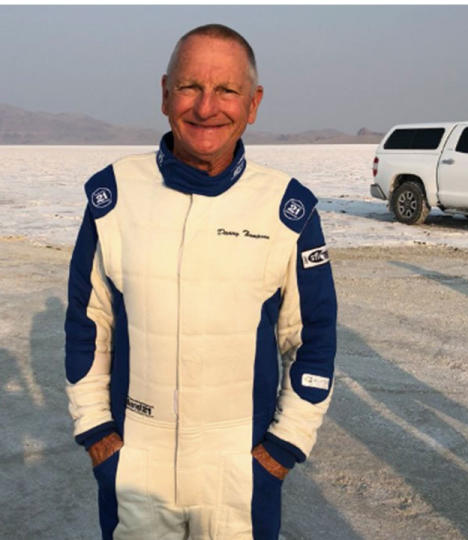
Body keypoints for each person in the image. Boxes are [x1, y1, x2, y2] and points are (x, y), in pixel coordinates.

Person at [65, 24, 337, 539]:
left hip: (238, 470)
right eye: (190, 87)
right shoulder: (113, 196)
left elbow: (314, 340)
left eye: (227, 90)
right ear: (165, 94)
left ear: (253, 104)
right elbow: (87, 324)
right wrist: (97, 433)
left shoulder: (287, 209)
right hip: (135, 465)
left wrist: (279, 452)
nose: (206, 107)